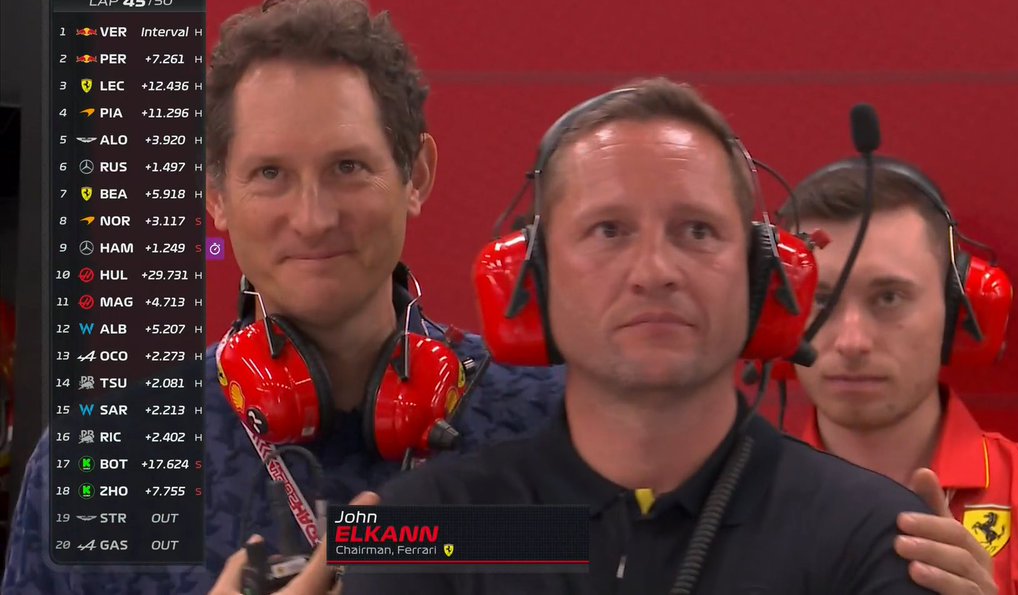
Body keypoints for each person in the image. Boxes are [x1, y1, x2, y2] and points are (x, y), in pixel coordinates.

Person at [2, 0, 565, 595]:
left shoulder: (554, 426)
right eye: (270, 173)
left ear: (416, 175)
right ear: (216, 197)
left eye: (348, 167)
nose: (313, 218)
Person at [340, 78, 937, 594]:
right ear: (534, 278)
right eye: (609, 231)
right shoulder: (418, 529)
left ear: (762, 279)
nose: (655, 272)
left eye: (697, 231)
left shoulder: (876, 535)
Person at [778, 157, 1018, 594]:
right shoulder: (724, 507)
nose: (852, 341)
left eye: (888, 297)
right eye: (821, 299)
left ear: (958, 314)